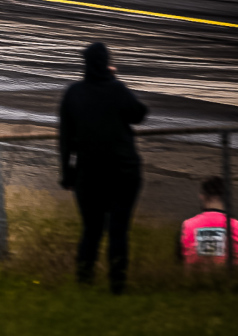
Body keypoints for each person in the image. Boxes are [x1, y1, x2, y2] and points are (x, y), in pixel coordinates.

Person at [58, 42, 149, 294]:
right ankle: (117, 285)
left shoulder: (73, 93)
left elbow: (65, 139)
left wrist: (66, 174)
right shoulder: (116, 89)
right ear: (107, 63)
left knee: (91, 230)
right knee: (119, 230)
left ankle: (84, 282)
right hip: (124, 171)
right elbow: (139, 113)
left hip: (89, 173)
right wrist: (112, 79)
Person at [177, 176, 238, 266]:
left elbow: (179, 263)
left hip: (196, 278)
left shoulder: (186, 226)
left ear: (202, 197)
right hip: (232, 279)